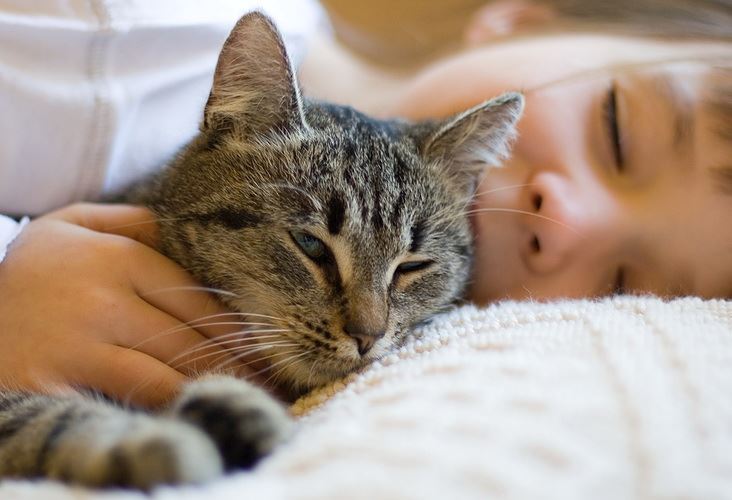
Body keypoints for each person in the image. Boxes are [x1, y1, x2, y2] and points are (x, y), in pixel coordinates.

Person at [0, 0, 729, 407]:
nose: (564, 222)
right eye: (618, 132)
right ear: (520, 18)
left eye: (627, 284)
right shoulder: (130, 30)